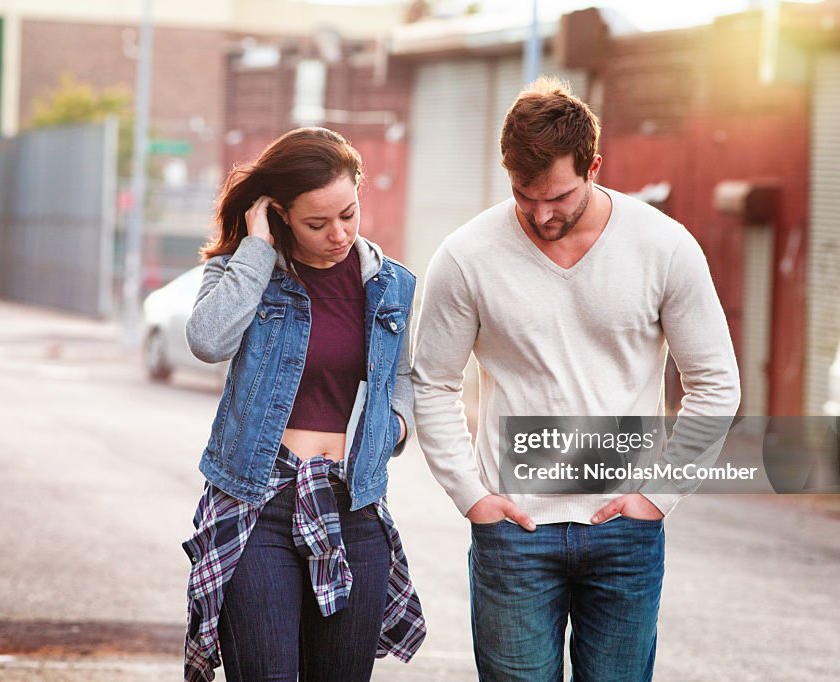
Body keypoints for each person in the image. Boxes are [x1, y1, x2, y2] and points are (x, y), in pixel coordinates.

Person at [412, 77, 741, 681]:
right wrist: (471, 495)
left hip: (625, 530)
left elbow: (716, 382)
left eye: (558, 196)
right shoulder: (466, 257)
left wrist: (657, 497)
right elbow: (431, 381)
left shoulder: (663, 247)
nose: (540, 214)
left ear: (593, 165)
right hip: (514, 531)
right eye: (522, 194)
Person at [181, 127, 425, 682]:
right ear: (279, 214)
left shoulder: (390, 287)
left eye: (349, 213)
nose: (338, 234)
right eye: (317, 223)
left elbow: (403, 374)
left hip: (353, 506)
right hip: (257, 502)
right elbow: (208, 341)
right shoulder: (243, 273)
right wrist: (257, 250)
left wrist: (394, 431)